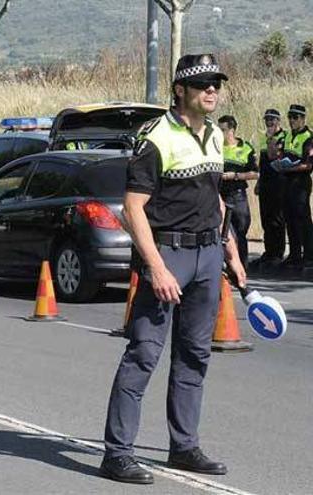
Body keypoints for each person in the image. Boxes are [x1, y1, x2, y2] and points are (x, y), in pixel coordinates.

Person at [100, 54, 243, 485]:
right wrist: (157, 268)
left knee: (194, 356)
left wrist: (232, 252)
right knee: (144, 354)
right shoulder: (155, 137)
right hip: (168, 256)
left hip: (207, 256)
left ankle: (183, 447)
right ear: (180, 89)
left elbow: (214, 199)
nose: (212, 89)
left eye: (216, 83)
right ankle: (117, 453)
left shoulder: (215, 134)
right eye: (203, 83)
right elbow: (133, 207)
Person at [217, 115, 257, 267]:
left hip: (237, 195)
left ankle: (242, 267)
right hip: (219, 194)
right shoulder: (215, 147)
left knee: (240, 232)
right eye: (218, 129)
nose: (220, 133)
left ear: (232, 130)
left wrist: (236, 176)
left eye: (223, 130)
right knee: (220, 233)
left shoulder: (245, 148)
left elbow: (255, 173)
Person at [251, 109, 288, 269]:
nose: (269, 122)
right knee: (266, 218)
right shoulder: (264, 137)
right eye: (267, 119)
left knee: (277, 220)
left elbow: (274, 156)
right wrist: (259, 182)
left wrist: (271, 138)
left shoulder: (284, 137)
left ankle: (277, 254)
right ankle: (269, 252)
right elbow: (263, 162)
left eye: (272, 119)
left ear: (278, 120)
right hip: (266, 182)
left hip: (278, 183)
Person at [278, 104, 313, 269]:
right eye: (290, 117)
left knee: (303, 218)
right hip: (286, 181)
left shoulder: (308, 137)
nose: (292, 120)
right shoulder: (287, 136)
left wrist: (289, 168)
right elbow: (279, 154)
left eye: (295, 117)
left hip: (301, 182)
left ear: (303, 119)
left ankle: (309, 256)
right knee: (289, 218)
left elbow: (308, 165)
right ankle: (294, 254)